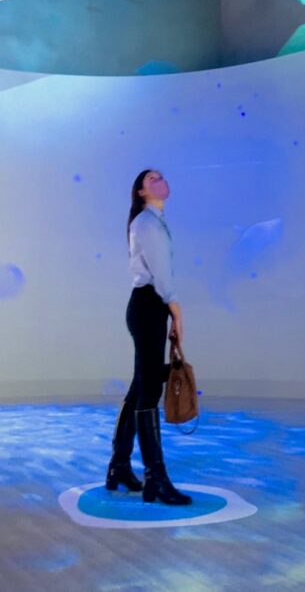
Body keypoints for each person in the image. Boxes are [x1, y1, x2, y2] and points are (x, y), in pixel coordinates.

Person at [105, 169, 192, 505]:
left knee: (142, 385)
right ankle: (155, 477)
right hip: (148, 305)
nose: (160, 180)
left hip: (148, 306)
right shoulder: (147, 222)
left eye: (161, 177)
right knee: (149, 389)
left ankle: (119, 467)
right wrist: (176, 311)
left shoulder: (152, 221)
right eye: (152, 179)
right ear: (141, 192)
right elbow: (161, 274)